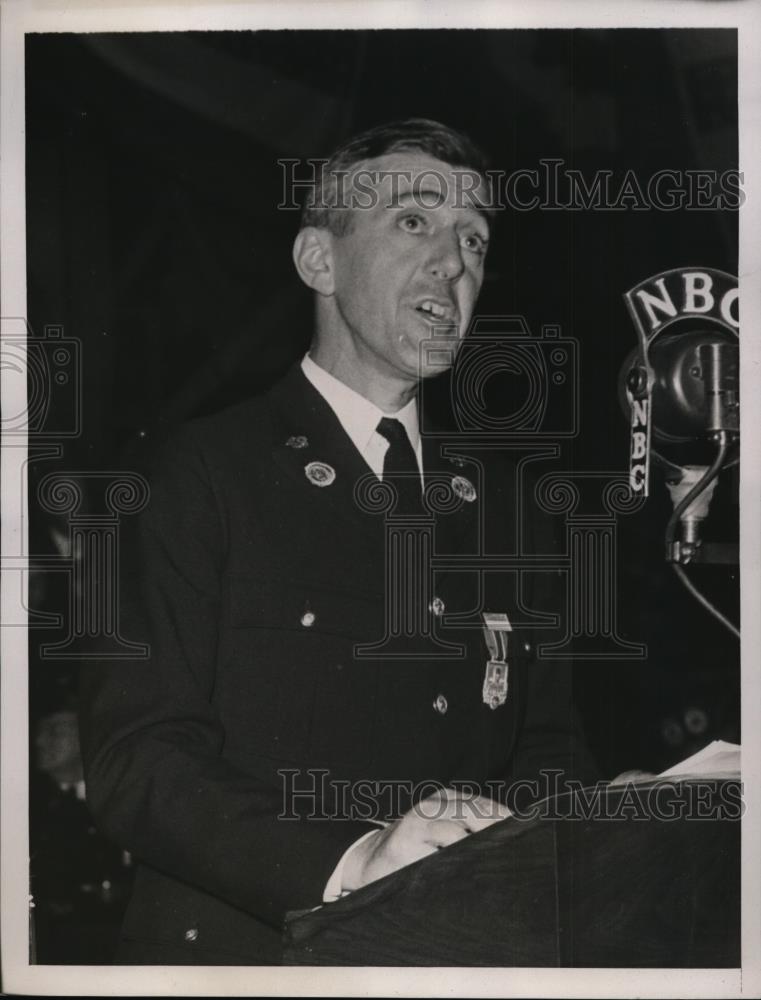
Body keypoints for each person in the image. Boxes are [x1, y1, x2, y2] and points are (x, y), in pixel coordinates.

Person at [79, 118, 598, 965]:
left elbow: (545, 752)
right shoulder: (197, 475)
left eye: (473, 236)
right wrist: (351, 862)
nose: (454, 260)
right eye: (412, 222)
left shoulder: (509, 512)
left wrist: (601, 817)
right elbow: (138, 761)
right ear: (318, 261)